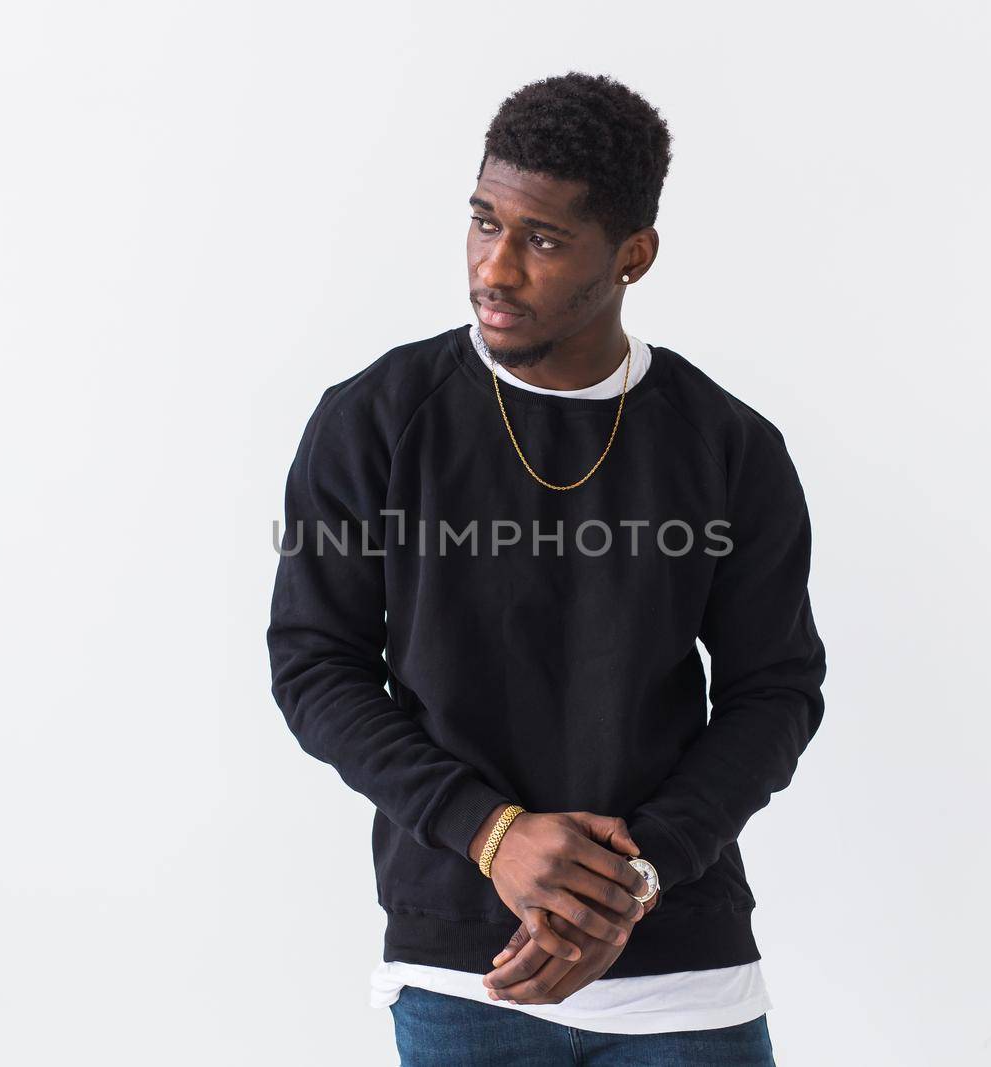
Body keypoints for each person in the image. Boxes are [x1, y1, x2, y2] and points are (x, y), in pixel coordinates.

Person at [266, 71, 826, 1066]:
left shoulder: (728, 444)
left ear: (632, 256)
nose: (496, 266)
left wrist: (637, 873)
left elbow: (774, 689)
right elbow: (316, 663)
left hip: (680, 969)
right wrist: (493, 833)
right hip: (460, 963)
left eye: (544, 238)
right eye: (483, 222)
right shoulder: (376, 419)